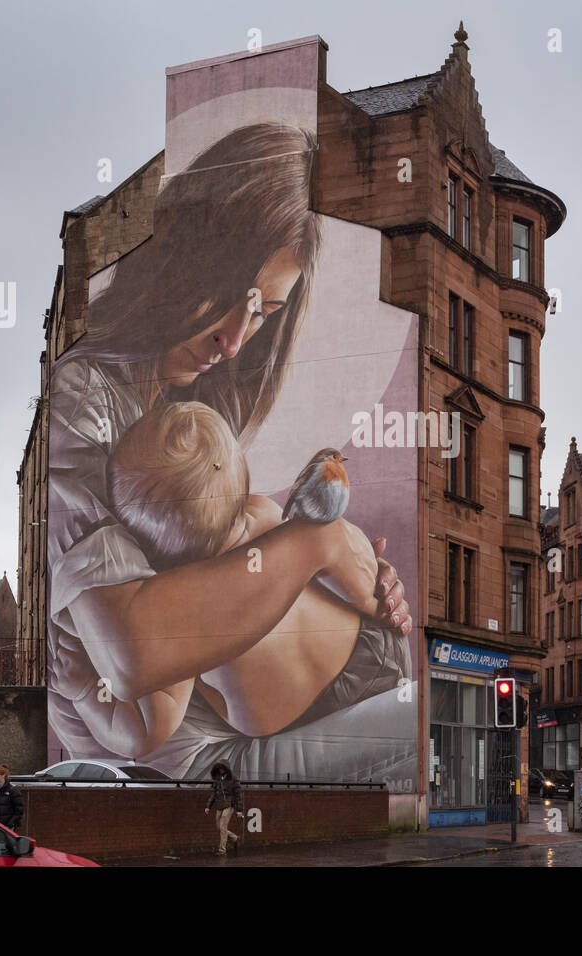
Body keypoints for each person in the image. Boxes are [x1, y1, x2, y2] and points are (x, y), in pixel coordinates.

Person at [46, 122, 413, 779]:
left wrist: (343, 565)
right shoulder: (87, 392)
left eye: (265, 314)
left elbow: (238, 558)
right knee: (430, 727)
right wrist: (316, 546)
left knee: (435, 721)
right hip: (207, 755)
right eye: (236, 301)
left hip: (335, 682)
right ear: (188, 257)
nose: (237, 341)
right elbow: (134, 651)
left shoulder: (200, 407)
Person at [106, 399, 409, 738]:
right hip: (371, 653)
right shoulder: (265, 513)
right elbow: (353, 581)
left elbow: (159, 712)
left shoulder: (184, 605)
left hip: (297, 727)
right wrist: (378, 597)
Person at [205, 761, 243, 856]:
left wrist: (239, 810)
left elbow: (238, 795)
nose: (220, 770)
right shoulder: (217, 779)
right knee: (219, 827)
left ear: (226, 769)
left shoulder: (233, 779)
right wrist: (208, 806)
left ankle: (222, 850)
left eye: (222, 768)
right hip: (219, 805)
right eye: (219, 769)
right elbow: (214, 793)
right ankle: (234, 838)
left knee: (222, 826)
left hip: (229, 805)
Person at [0, 765, 25, 831]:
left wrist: (10, 824)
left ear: (3, 775)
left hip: (8, 827)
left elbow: (19, 810)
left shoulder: (12, 790)